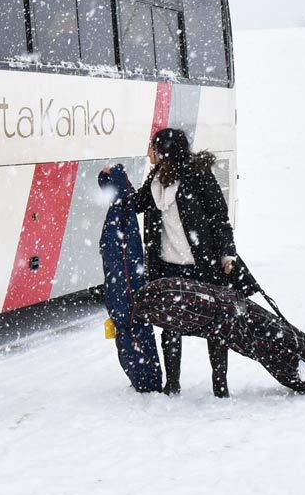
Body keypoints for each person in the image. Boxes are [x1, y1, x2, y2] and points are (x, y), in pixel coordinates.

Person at [127, 126, 251, 397]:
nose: (149, 152)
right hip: (168, 266)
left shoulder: (198, 177)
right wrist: (114, 179)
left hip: (203, 265)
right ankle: (172, 385)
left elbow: (219, 217)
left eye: (153, 147)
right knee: (171, 325)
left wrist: (227, 254)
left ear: (164, 151)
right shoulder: (156, 181)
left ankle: (220, 386)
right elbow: (134, 204)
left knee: (215, 327)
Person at [97, 163, 163, 392]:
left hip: (124, 295)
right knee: (131, 330)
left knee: (131, 329)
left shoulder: (120, 213)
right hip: (123, 293)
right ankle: (147, 378)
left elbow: (122, 261)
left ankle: (148, 380)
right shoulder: (121, 210)